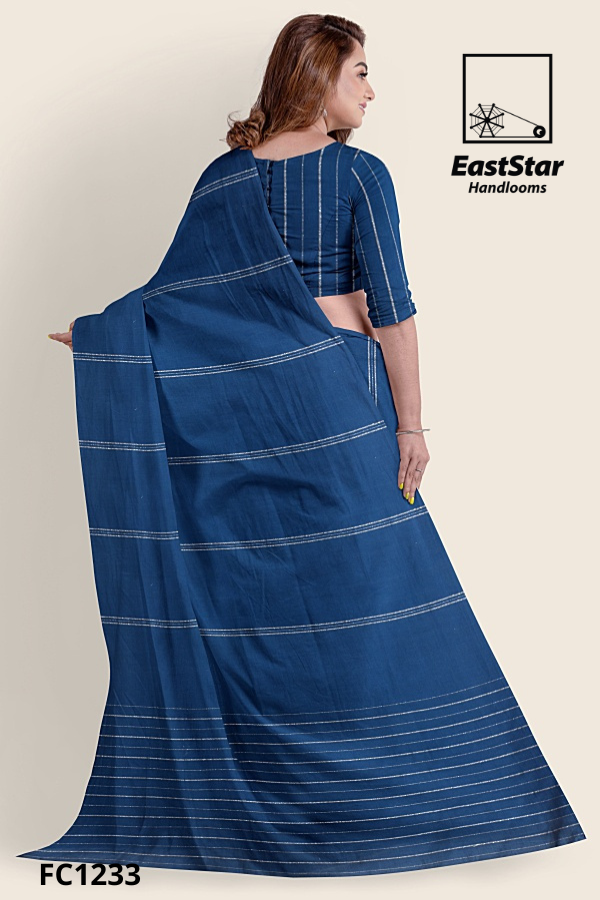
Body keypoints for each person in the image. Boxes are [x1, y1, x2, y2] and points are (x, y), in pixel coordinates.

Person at [33, 13, 584, 878]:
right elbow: (390, 310)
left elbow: (178, 308)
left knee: (259, 604)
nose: (372, 90)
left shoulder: (222, 180)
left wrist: (104, 338)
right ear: (319, 75)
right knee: (377, 602)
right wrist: (411, 424)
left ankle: (280, 804)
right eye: (360, 71)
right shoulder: (358, 173)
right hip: (340, 408)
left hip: (248, 421)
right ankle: (420, 806)